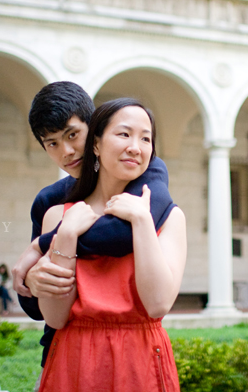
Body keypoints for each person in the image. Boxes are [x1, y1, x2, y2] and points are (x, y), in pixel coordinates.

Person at [11, 81, 175, 375]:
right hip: (63, 352)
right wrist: (36, 283)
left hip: (135, 357)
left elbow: (118, 235)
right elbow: (38, 308)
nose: (67, 151)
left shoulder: (148, 175)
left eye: (73, 135)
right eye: (52, 143)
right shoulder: (50, 202)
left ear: (95, 128)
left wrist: (45, 244)